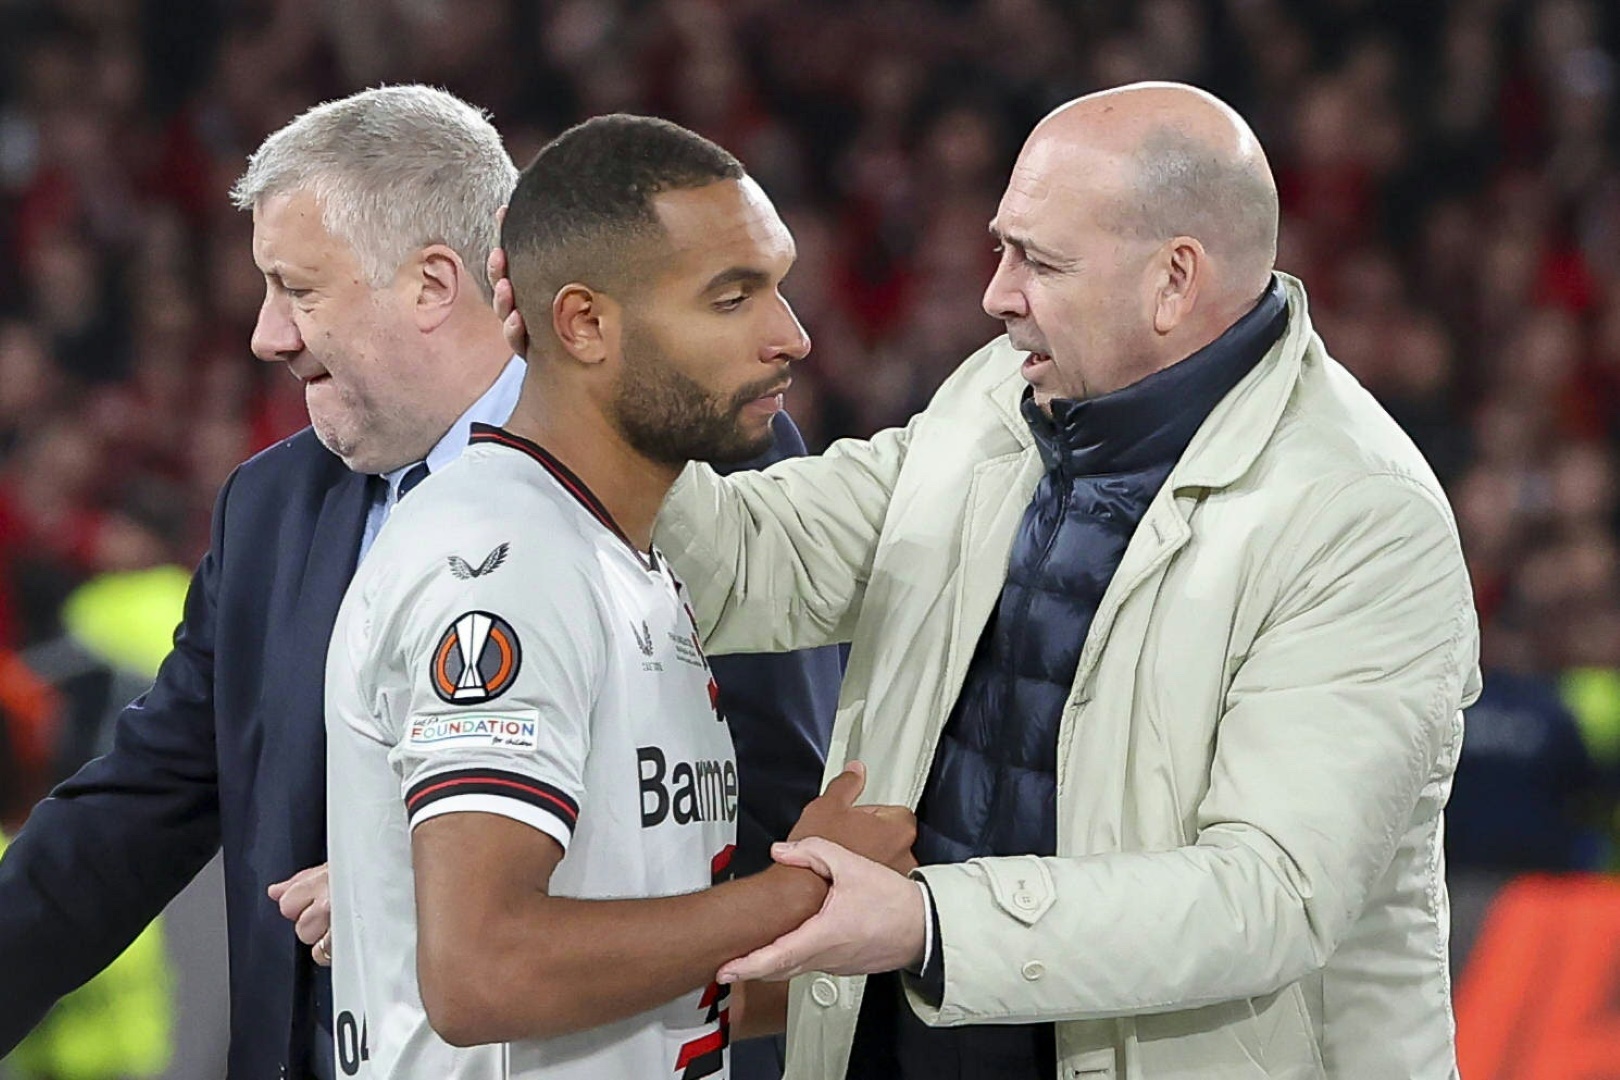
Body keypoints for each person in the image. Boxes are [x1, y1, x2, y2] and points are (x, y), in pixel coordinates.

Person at [623, 82, 1479, 1079]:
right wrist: (597, 387)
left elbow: (1269, 897)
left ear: (1174, 282)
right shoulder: (1005, 391)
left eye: (1040, 260)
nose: (999, 292)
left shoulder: (1362, 521)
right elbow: (754, 561)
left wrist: (929, 923)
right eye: (1002, 246)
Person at [0, 87, 839, 1080]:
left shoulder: (694, 458)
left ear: (435, 284)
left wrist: (430, 901)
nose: (269, 335)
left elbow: (775, 821)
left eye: (297, 289)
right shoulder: (272, 510)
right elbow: (131, 815)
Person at [322, 113, 913, 1079]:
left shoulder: (620, 555)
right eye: (732, 299)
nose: (790, 337)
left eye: (780, 287)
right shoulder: (503, 564)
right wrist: (804, 887)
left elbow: (666, 985)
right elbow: (483, 975)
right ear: (585, 323)